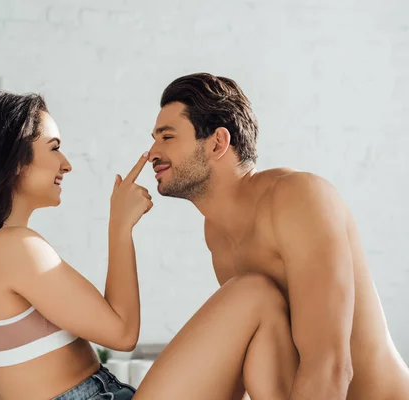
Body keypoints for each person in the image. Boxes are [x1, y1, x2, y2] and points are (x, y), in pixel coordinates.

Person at [130, 73, 409, 399]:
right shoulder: (217, 233)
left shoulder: (298, 198)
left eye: (167, 137)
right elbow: (268, 357)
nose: (152, 153)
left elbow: (330, 366)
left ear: (218, 142)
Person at [0, 91, 154, 399]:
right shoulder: (16, 247)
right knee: (233, 306)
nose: (66, 165)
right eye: (54, 148)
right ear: (13, 161)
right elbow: (123, 333)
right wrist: (120, 225)